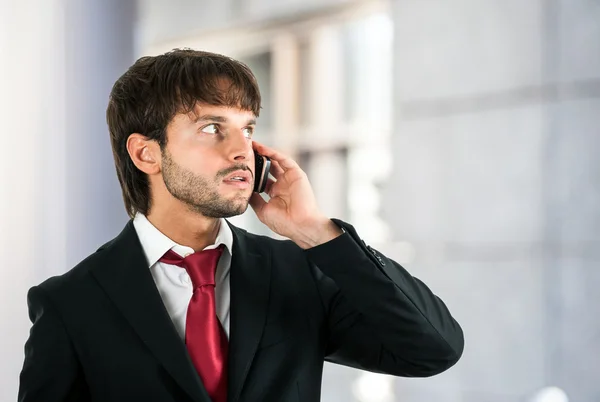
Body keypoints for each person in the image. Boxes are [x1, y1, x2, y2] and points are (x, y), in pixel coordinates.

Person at [18, 49, 464, 402]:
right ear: (145, 154)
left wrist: (314, 230)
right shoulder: (71, 304)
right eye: (213, 128)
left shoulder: (298, 271)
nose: (241, 151)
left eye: (247, 129)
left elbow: (432, 349)